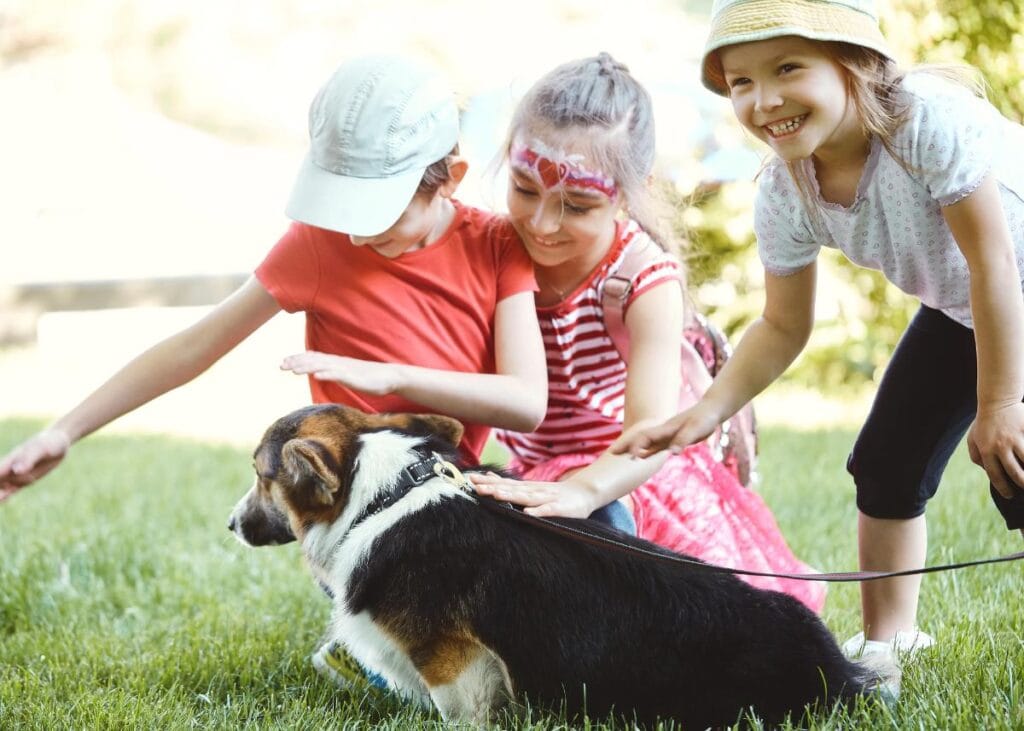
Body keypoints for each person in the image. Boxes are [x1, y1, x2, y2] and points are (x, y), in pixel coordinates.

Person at [0, 54, 548, 685]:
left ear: (449, 178)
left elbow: (525, 402)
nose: (360, 236)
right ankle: (366, 629)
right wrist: (64, 431)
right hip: (354, 524)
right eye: (348, 210)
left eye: (381, 215)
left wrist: (389, 377)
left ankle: (363, 642)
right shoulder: (320, 244)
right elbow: (192, 347)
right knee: (454, 672)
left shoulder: (498, 246)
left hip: (448, 506)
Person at [614, 0, 1024, 679]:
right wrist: (705, 411)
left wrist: (1002, 402)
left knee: (1010, 454)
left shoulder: (924, 121)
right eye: (742, 81)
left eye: (788, 68)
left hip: (1004, 278)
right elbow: (782, 325)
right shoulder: (785, 188)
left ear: (855, 63)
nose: (764, 99)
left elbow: (995, 262)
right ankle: (888, 648)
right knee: (887, 462)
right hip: (966, 306)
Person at [470, 52, 825, 613]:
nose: (541, 223)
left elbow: (650, 435)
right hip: (535, 476)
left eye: (577, 205)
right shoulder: (488, 251)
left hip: (630, 475)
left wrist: (582, 490)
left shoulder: (640, 280)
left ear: (633, 190)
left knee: (695, 615)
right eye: (524, 189)